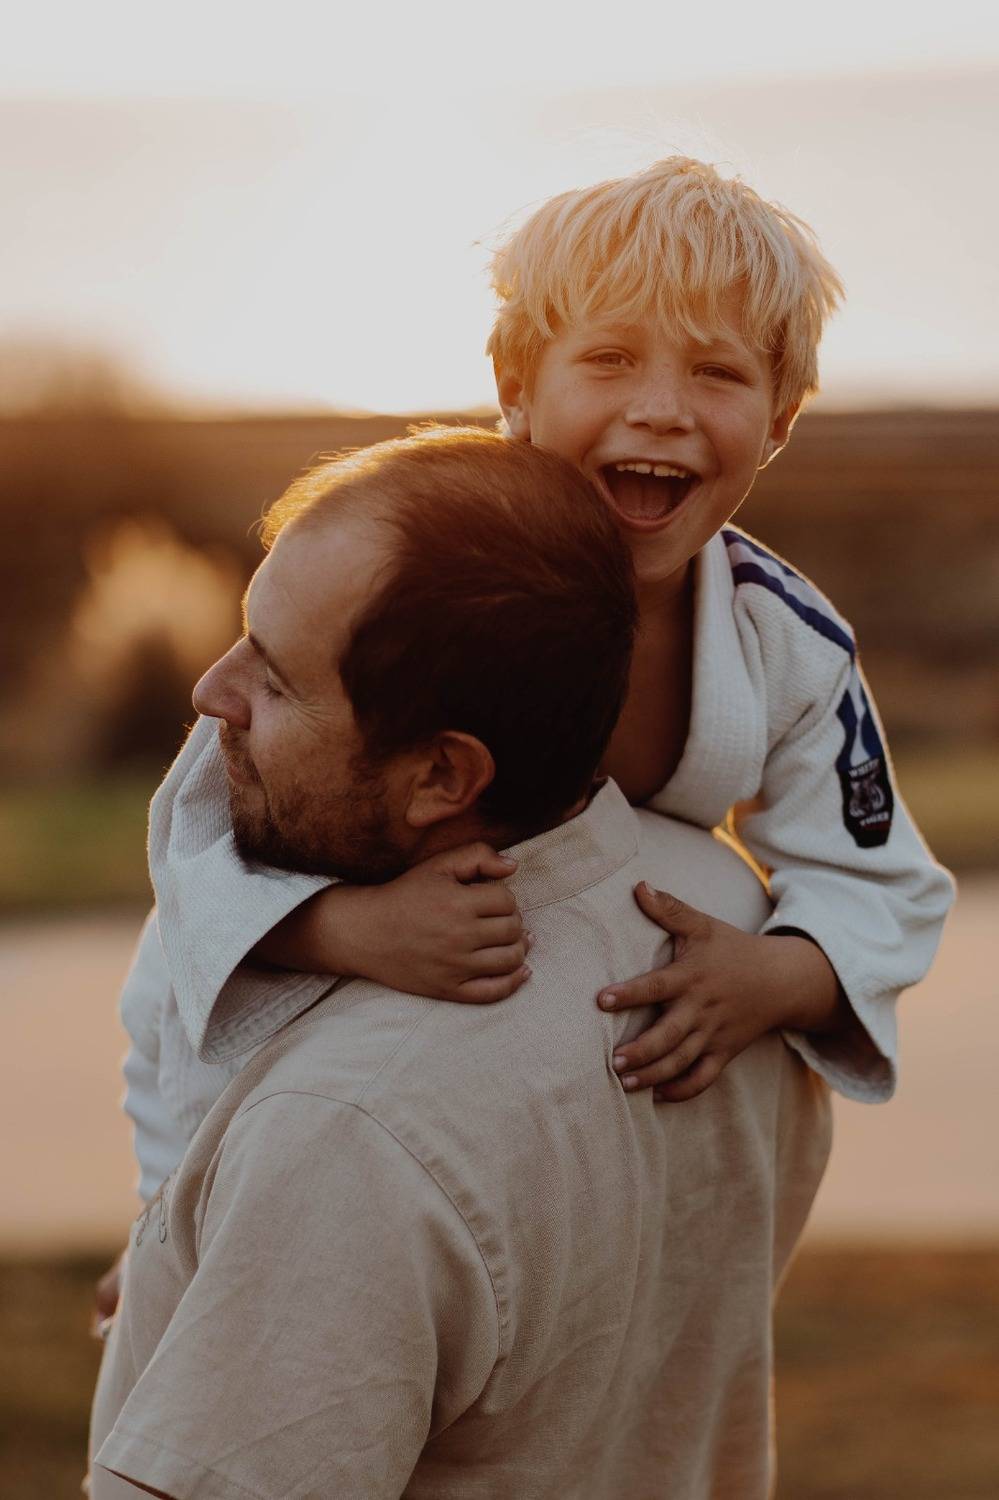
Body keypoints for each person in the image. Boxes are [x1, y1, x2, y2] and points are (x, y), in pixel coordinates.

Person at [115, 155, 952, 1210]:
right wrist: (339, 928)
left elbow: (879, 879)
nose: (661, 409)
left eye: (717, 373)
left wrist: (779, 975)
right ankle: (164, 1224)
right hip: (243, 1026)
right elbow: (197, 824)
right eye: (608, 358)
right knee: (214, 1194)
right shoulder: (402, 563)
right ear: (515, 386)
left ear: (780, 419)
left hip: (524, 1054)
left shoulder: (784, 643)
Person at [90, 427, 833, 1499]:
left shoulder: (348, 1134)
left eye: (278, 680)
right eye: (240, 638)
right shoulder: (732, 919)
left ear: (442, 776)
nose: (210, 692)